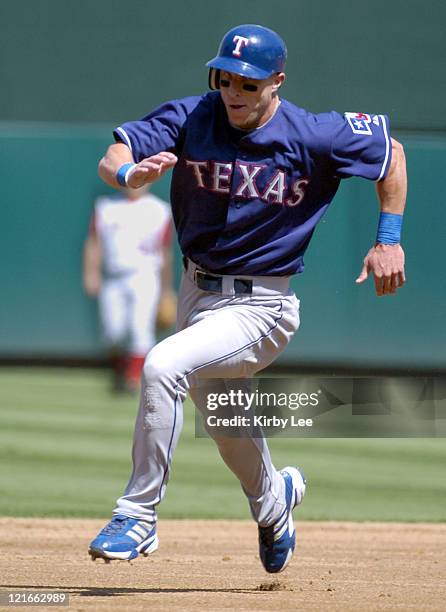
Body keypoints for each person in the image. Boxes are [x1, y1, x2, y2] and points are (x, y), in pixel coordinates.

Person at [88, 24, 407, 573]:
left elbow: (391, 153)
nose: (233, 91)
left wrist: (389, 240)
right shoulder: (194, 115)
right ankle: (274, 505)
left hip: (262, 304)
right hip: (197, 289)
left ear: (276, 82)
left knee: (164, 365)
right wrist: (126, 171)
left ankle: (137, 516)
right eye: (225, 78)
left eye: (248, 83)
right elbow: (116, 151)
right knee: (227, 421)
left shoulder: (315, 134)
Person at [83, 185, 176, 393]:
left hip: (144, 275)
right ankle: (119, 372)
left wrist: (166, 289)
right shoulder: (106, 206)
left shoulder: (159, 209)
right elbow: (94, 242)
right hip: (113, 276)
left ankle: (133, 379)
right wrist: (91, 272)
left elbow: (164, 253)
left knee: (140, 328)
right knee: (111, 333)